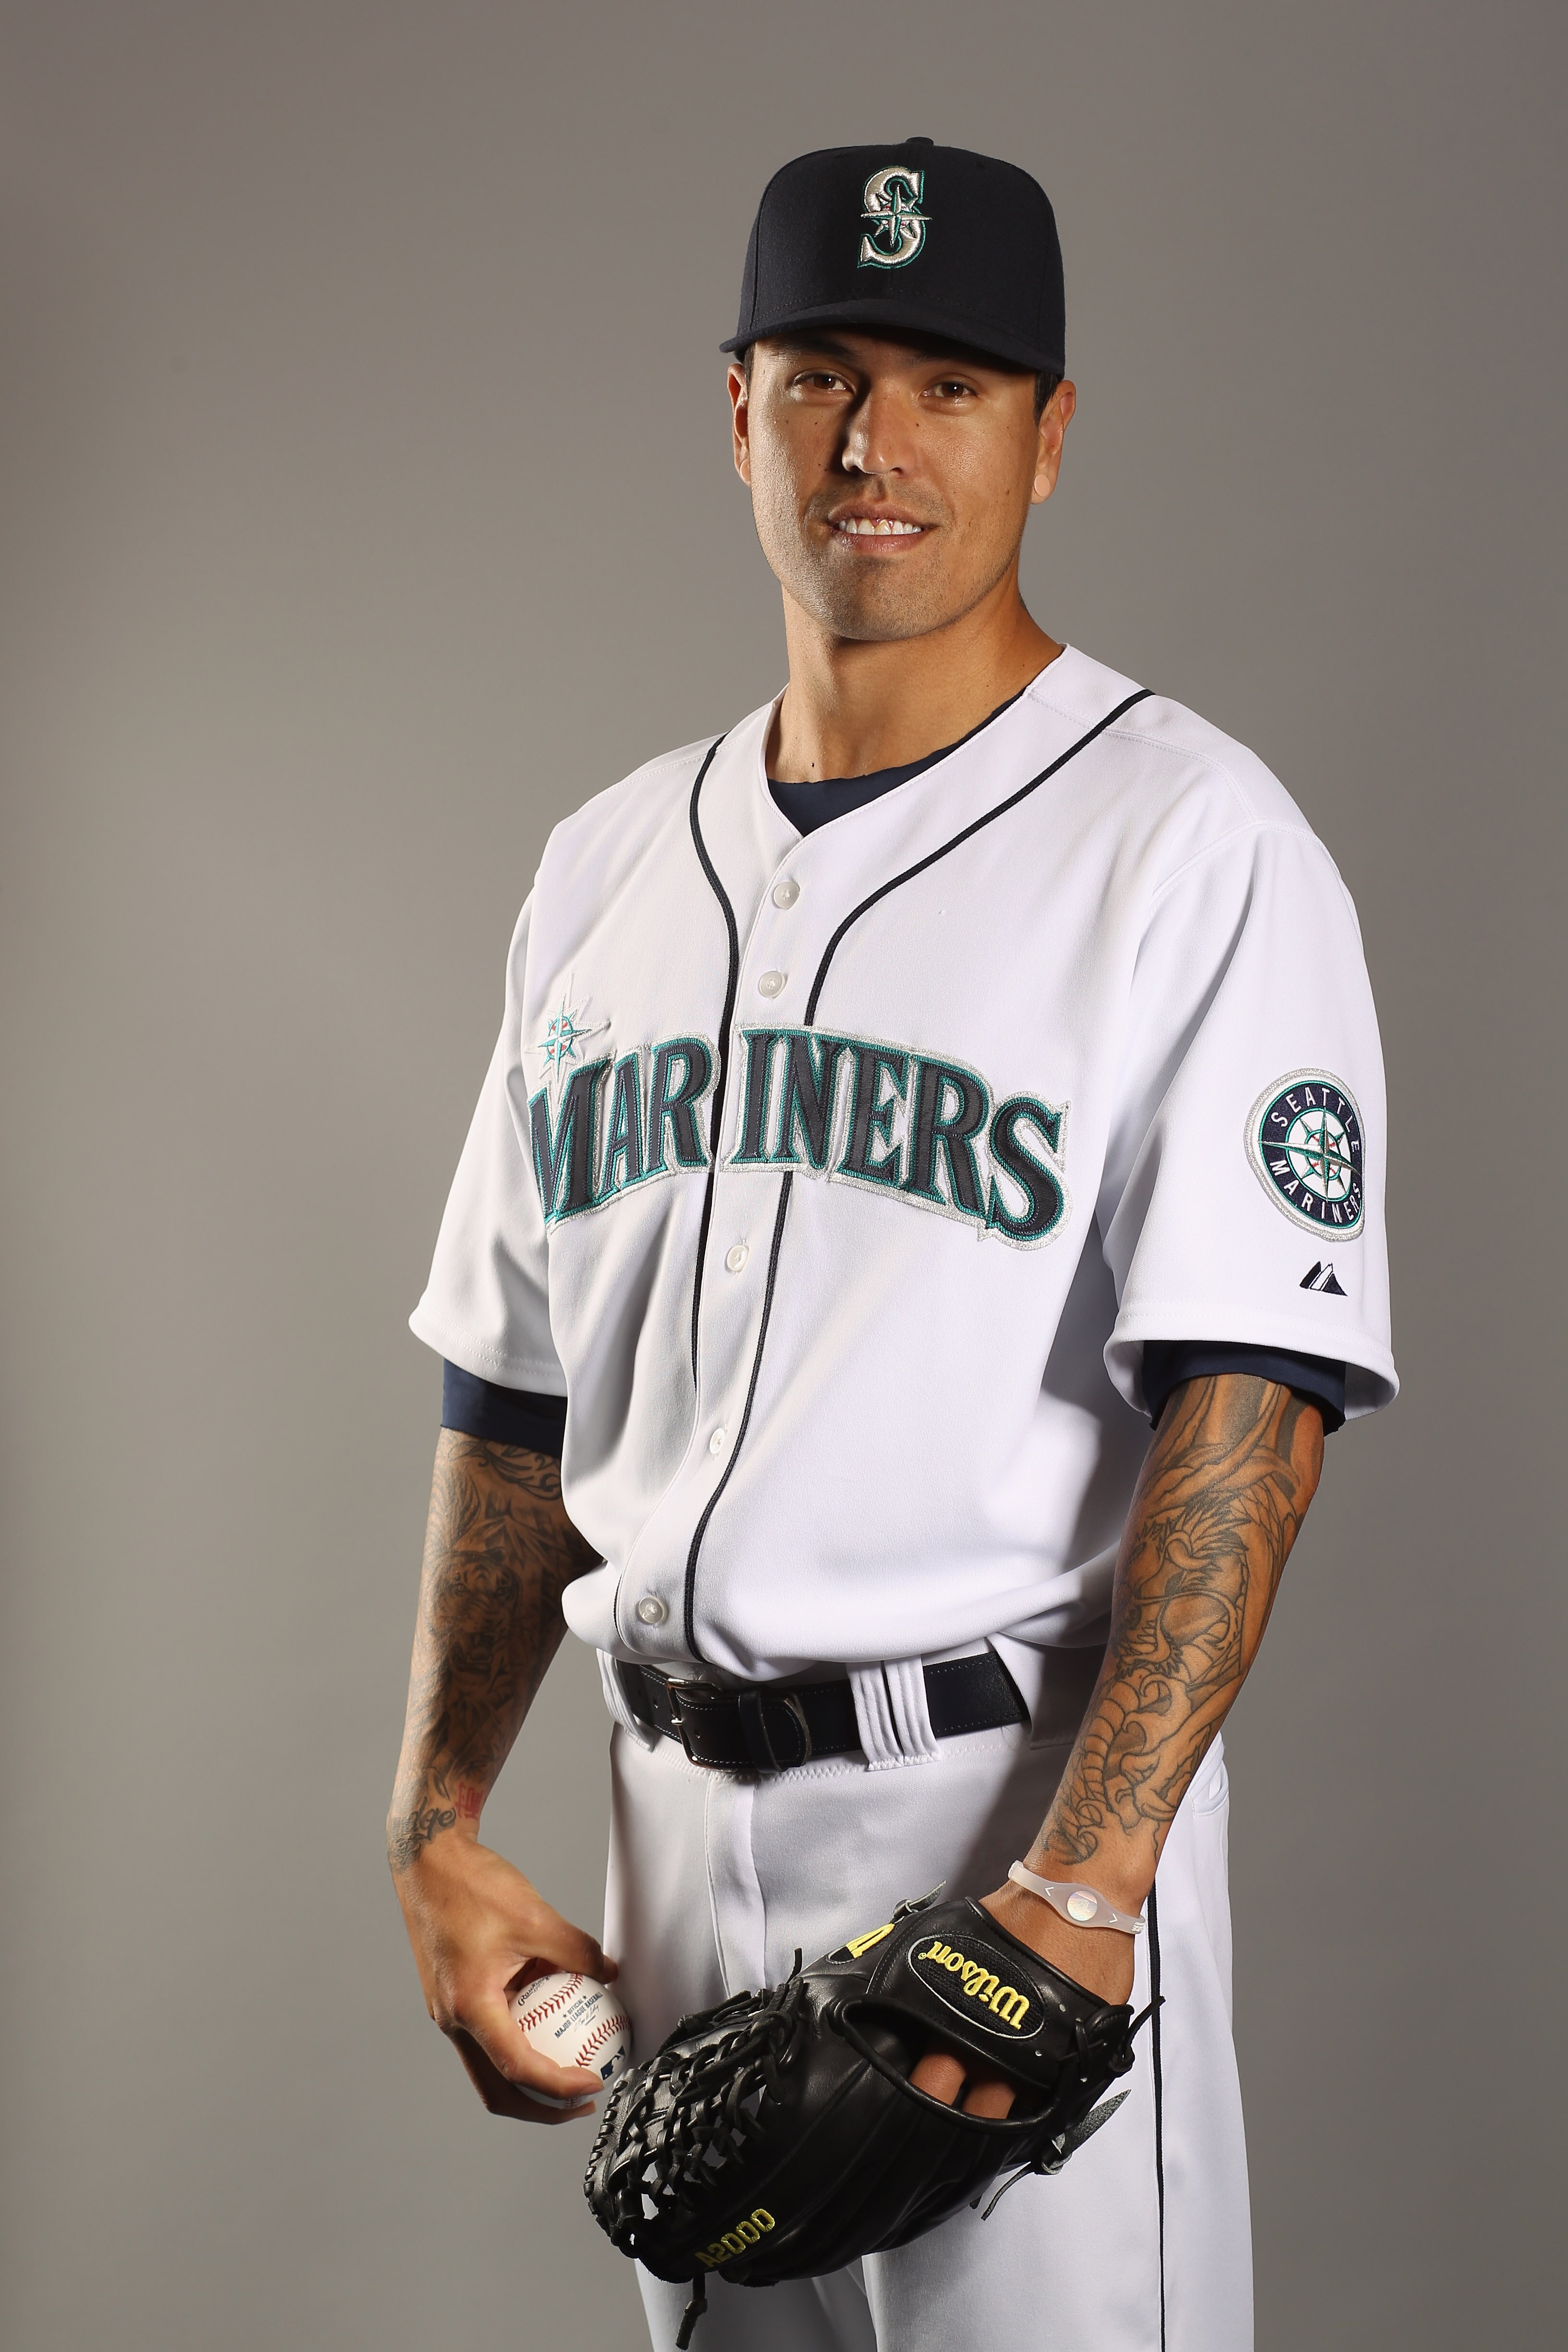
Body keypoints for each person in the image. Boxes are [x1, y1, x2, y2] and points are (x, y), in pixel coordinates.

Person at [388, 140, 1396, 2351]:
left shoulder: (1191, 843)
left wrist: (1083, 1892)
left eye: (949, 384)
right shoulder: (603, 869)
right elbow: (517, 1389)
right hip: (672, 1849)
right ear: (733, 405)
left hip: (1001, 1835)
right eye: (823, 375)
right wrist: (439, 1816)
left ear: (1049, 433)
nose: (874, 444)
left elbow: (1255, 1410)